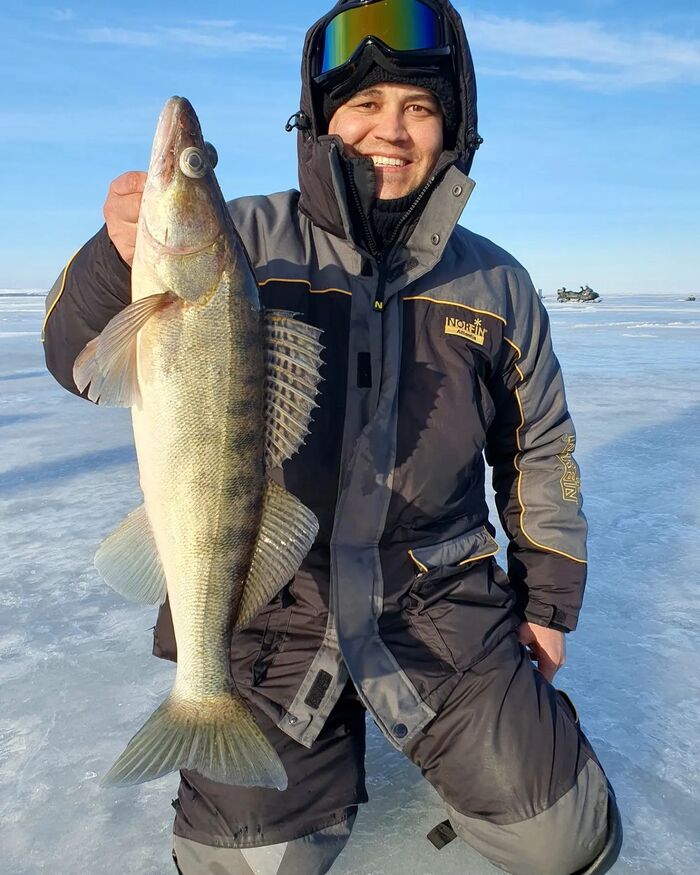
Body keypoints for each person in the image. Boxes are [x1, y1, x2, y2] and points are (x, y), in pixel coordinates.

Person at [43, 0, 623, 872]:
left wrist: (547, 602)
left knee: (566, 839)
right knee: (244, 865)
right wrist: (113, 258)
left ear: (453, 128)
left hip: (438, 599)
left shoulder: (496, 283)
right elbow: (77, 358)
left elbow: (541, 448)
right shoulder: (241, 240)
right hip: (273, 601)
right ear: (320, 122)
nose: (390, 130)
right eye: (364, 105)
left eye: (418, 108)